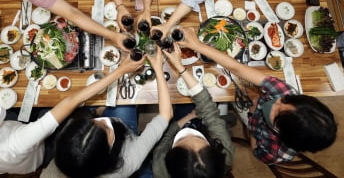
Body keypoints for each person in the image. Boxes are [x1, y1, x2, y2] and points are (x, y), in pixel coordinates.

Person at [0, 55, 144, 174]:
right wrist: (120, 71)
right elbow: (69, 102)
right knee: (72, 120)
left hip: (15, 136)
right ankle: (93, 111)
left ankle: (93, 110)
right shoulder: (13, 146)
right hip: (40, 153)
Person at [176, 27, 337, 165]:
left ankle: (231, 116)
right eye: (284, 100)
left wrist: (252, 121)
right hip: (253, 106)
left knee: (223, 102)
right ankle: (229, 115)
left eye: (277, 111)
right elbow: (237, 68)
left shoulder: (276, 153)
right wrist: (197, 45)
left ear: (281, 132)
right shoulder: (287, 93)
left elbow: (255, 150)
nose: (276, 100)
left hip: (252, 122)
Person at [40, 46, 173, 178]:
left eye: (91, 122)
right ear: (107, 150)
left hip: (113, 128)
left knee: (109, 95)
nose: (105, 119)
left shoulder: (69, 140)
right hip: (126, 132)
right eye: (106, 128)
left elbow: (72, 101)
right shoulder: (129, 160)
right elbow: (166, 115)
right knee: (126, 97)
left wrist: (120, 71)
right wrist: (158, 69)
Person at [152, 43, 234, 178]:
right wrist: (180, 67)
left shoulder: (160, 166)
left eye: (181, 139)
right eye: (197, 137)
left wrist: (183, 121)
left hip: (177, 126)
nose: (188, 132)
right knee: (191, 103)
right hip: (202, 125)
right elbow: (209, 111)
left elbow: (166, 139)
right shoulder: (224, 154)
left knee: (181, 105)